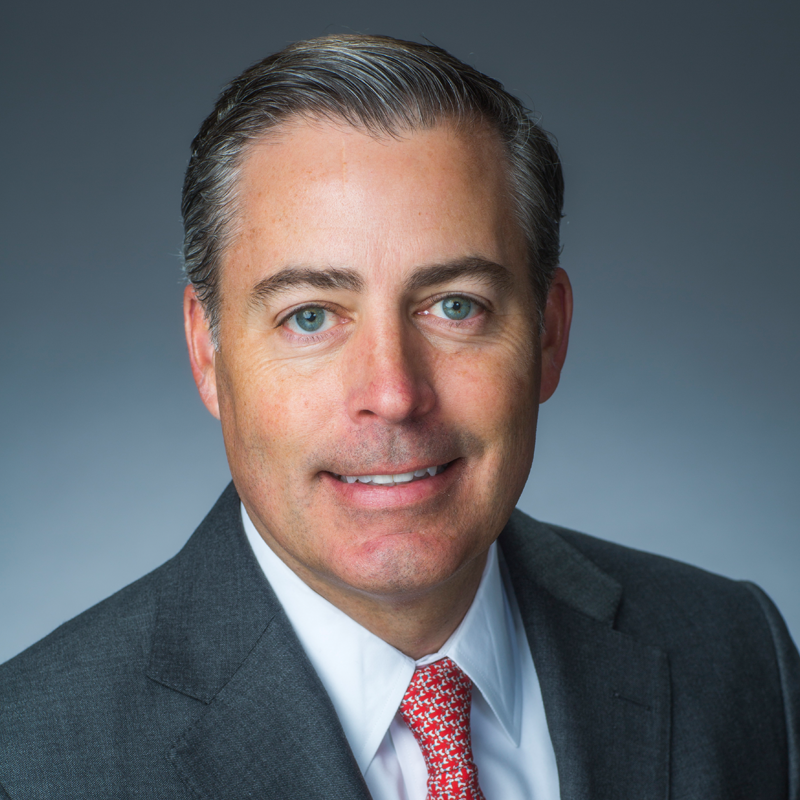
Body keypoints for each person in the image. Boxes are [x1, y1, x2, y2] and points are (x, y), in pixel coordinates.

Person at [0, 33, 797, 800]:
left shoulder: (739, 658)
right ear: (208, 353)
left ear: (548, 335)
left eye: (455, 306)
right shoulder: (28, 760)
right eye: (310, 316)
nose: (393, 393)